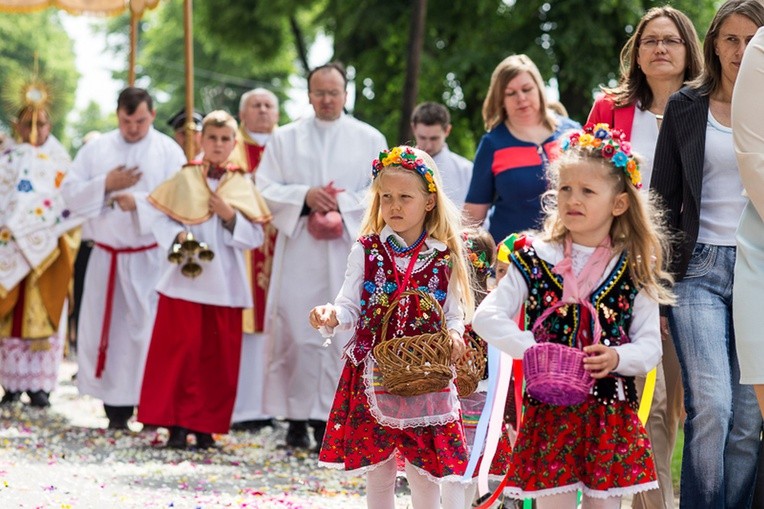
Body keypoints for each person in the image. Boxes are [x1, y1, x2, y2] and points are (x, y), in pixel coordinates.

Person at [472, 124, 675, 507]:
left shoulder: (633, 267)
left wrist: (618, 358)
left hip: (609, 412)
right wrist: (532, 347)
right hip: (548, 412)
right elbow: (486, 317)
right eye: (565, 188)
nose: (572, 199)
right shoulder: (533, 257)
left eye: (587, 191)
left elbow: (650, 345)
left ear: (618, 204)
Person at [309, 145, 472, 508]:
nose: (394, 206)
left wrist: (456, 334)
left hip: (425, 374)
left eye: (404, 197)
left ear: (429, 202)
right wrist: (331, 314)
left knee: (424, 469)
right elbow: (349, 303)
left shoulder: (444, 254)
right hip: (374, 372)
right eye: (386, 197)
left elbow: (453, 312)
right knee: (378, 468)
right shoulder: (367, 249)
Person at [586, 8, 703, 509]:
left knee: (671, 402)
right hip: (617, 267)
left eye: (671, 40)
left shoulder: (708, 107)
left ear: (688, 49)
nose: (660, 48)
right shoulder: (610, 110)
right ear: (636, 50)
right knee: (639, 400)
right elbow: (582, 182)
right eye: (650, 40)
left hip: (690, 268)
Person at [651, 1, 764, 507]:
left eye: (753, 41)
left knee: (747, 419)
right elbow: (660, 202)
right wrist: (654, 291)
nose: (742, 51)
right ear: (715, 44)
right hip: (698, 270)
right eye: (731, 40)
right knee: (713, 406)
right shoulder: (686, 106)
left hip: (757, 270)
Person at [257, 62, 387, 449]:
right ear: (309, 94)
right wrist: (304, 198)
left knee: (344, 328)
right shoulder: (284, 138)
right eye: (320, 92)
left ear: (345, 94)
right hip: (299, 249)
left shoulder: (369, 137)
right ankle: (295, 419)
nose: (327, 99)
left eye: (334, 92)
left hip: (349, 249)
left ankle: (330, 418)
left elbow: (383, 191)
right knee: (297, 332)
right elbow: (262, 186)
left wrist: (340, 207)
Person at [136, 110, 269, 449]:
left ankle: (207, 426)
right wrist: (178, 236)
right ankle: (176, 425)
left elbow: (255, 237)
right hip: (184, 280)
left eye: (225, 139)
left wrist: (229, 217)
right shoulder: (184, 177)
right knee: (177, 354)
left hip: (225, 284)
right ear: (201, 140)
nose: (218, 145)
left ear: (234, 143)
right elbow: (156, 216)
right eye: (212, 138)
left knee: (217, 358)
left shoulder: (242, 183)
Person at [62, 87, 187, 430]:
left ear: (153, 114)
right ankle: (115, 408)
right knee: (110, 334)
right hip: (107, 257)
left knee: (146, 332)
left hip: (149, 258)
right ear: (117, 115)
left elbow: (182, 200)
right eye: (126, 120)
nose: (133, 128)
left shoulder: (168, 150)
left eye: (141, 120)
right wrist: (105, 183)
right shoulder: (96, 148)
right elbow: (69, 194)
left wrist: (140, 202)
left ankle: (149, 408)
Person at [0, 103, 81, 408]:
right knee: (10, 312)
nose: (35, 130)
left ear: (51, 124)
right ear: (17, 125)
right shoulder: (7, 158)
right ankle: (10, 383)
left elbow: (70, 202)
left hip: (47, 250)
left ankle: (40, 386)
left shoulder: (62, 161)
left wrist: (42, 227)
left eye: (42, 123)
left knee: (43, 311)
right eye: (27, 123)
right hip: (10, 246)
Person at [463, 54, 579, 243]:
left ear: (539, 89)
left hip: (570, 252)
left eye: (527, 89)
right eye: (511, 93)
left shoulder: (572, 132)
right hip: (512, 261)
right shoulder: (492, 144)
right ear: (500, 99)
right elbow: (472, 217)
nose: (521, 98)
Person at [228, 88, 280, 432]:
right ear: (242, 113)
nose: (262, 111)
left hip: (283, 242)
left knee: (280, 321)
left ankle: (274, 406)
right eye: (255, 105)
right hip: (243, 248)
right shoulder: (231, 146)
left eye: (268, 105)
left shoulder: (287, 144)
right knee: (244, 325)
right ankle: (241, 408)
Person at [410, 102, 473, 208]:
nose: (428, 146)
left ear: (447, 130)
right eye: (422, 138)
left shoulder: (466, 170)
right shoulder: (396, 167)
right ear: (413, 129)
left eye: (434, 138)